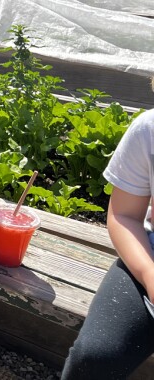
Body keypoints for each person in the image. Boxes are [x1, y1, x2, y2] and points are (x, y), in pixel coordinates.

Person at [61, 101, 154, 379]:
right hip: (150, 253)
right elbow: (124, 216)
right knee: (95, 355)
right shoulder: (148, 130)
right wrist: (150, 276)